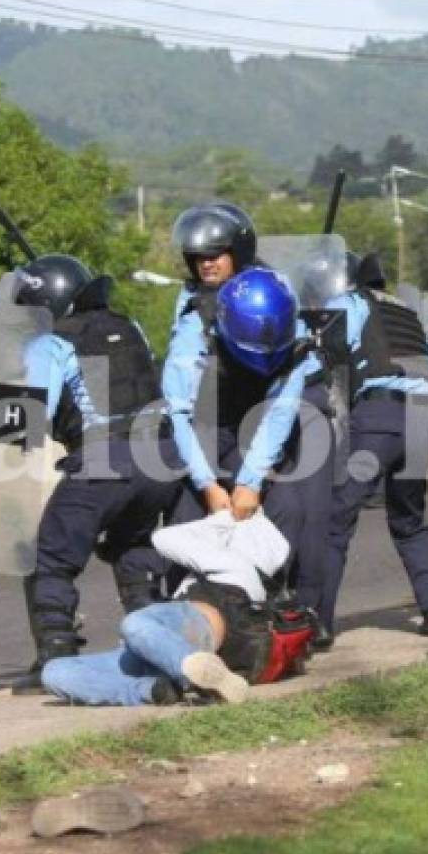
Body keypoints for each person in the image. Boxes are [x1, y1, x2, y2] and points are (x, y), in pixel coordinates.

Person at [14, 255, 184, 692]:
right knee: (133, 545)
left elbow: (33, 417)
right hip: (161, 459)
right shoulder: (130, 327)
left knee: (49, 556)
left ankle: (55, 654)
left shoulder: (51, 343)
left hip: (103, 462)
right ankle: (156, 648)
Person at [163, 218, 335, 646]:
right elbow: (180, 409)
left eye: (215, 254)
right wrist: (208, 485)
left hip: (260, 420)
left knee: (294, 511)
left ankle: (290, 613)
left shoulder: (282, 318)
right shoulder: (192, 321)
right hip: (208, 419)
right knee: (189, 518)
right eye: (198, 257)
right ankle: (178, 621)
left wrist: (250, 483)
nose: (206, 264)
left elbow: (280, 412)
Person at [320, 253, 428, 637]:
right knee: (410, 523)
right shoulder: (405, 312)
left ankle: (320, 623)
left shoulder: (350, 303)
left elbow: (326, 347)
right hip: (420, 424)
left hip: (378, 423)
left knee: (337, 519)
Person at [42, 510, 291, 706]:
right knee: (55, 672)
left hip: (194, 630)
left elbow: (164, 538)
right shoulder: (245, 575)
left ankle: (195, 674)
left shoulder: (237, 564)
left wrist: (224, 517)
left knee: (135, 623)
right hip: (165, 650)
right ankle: (156, 691)